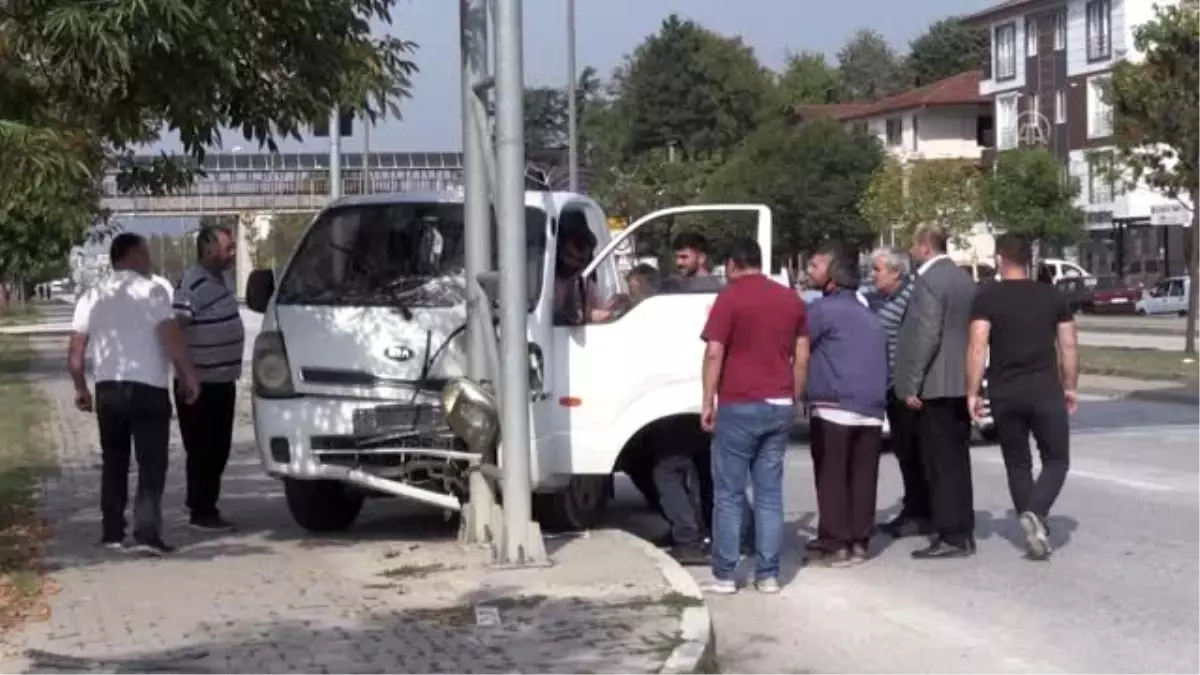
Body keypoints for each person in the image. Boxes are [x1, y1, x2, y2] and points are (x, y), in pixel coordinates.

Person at [68, 233, 201, 556]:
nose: (149, 261)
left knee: (114, 461)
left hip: (108, 389)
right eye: (144, 254)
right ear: (129, 256)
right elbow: (170, 338)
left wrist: (81, 388)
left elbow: (75, 353)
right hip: (148, 388)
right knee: (151, 463)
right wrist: (189, 375)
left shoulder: (91, 296)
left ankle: (112, 532)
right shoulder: (152, 291)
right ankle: (147, 533)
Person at [700, 237, 808, 595]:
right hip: (779, 404)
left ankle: (726, 575)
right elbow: (802, 353)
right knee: (769, 494)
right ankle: (768, 575)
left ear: (732, 264)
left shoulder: (729, 298)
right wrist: (795, 396)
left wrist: (707, 401)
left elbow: (714, 352)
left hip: (738, 403)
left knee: (729, 493)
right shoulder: (790, 299)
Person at [967, 235, 1079, 561]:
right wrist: (1070, 386)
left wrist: (973, 392)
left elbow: (977, 346)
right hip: (1045, 389)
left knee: (1018, 463)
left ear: (1000, 258)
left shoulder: (986, 296)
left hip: (1004, 391)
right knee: (1057, 459)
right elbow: (1069, 346)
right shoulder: (1051, 296)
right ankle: (1037, 511)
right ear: (1028, 258)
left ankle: (1032, 524)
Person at [894, 224, 978, 559]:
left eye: (913, 246)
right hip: (959, 379)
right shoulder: (962, 278)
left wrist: (912, 382)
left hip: (936, 383)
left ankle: (950, 534)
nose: (911, 252)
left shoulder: (928, 280)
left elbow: (927, 333)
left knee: (940, 463)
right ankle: (963, 528)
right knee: (958, 460)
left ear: (926, 247)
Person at [802, 244, 888, 566]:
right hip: (872, 407)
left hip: (833, 403)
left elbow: (799, 347)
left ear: (833, 279)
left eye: (816, 267)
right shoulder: (870, 316)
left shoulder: (822, 312)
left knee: (832, 475)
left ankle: (835, 542)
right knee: (862, 476)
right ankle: (859, 541)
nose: (811, 272)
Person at [172, 225, 245, 531]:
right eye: (228, 248)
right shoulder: (194, 283)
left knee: (218, 449)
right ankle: (202, 512)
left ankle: (202, 503)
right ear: (208, 250)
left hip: (221, 382)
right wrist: (187, 374)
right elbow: (175, 327)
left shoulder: (219, 280)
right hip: (200, 385)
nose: (232, 254)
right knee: (204, 450)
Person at [869, 248, 932, 539]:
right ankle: (913, 508)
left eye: (877, 269)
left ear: (896, 272)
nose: (873, 275)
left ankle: (921, 513)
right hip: (890, 386)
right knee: (904, 453)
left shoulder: (910, 298)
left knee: (914, 453)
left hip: (906, 387)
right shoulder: (883, 298)